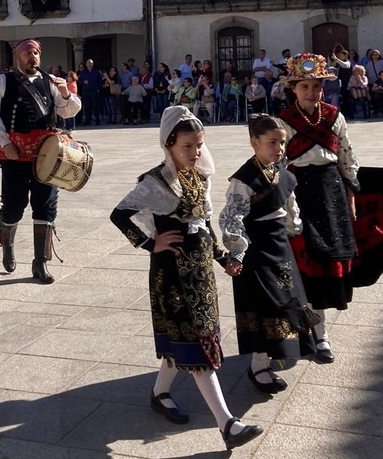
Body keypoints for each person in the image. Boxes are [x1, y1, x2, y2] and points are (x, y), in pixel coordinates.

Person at [110, 106, 263, 450]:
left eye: (198, 145)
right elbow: (119, 215)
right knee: (197, 347)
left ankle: (159, 392)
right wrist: (150, 243)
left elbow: (204, 224)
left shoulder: (199, 177)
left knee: (182, 346)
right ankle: (227, 424)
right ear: (169, 145)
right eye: (187, 147)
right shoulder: (155, 182)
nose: (195, 153)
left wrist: (224, 258)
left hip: (200, 274)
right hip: (171, 276)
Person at [219, 114, 319, 394]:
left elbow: (290, 208)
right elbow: (232, 216)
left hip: (280, 247)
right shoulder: (245, 179)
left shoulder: (284, 173)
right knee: (265, 305)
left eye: (282, 143)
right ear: (254, 143)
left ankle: (271, 357)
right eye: (271, 142)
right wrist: (237, 252)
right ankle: (258, 365)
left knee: (289, 300)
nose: (278, 148)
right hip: (257, 249)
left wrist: (294, 229)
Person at [277, 53, 360, 364]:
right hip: (298, 194)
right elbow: (279, 164)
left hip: (330, 193)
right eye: (305, 87)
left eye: (317, 87)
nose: (312, 93)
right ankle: (299, 332)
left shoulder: (335, 116)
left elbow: (346, 157)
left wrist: (351, 193)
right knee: (304, 265)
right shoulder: (284, 122)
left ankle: (322, 336)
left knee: (326, 264)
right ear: (294, 89)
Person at [0, 38, 82, 283]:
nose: (33, 57)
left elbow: (69, 110)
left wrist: (65, 93)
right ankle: (8, 245)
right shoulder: (3, 81)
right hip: (14, 154)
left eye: (36, 52)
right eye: (28, 52)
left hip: (47, 155)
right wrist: (5, 143)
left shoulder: (50, 82)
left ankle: (41, 262)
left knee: (46, 205)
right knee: (13, 205)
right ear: (18, 56)